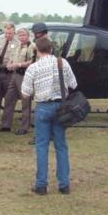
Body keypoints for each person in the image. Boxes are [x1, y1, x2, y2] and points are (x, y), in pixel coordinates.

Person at [21, 37, 77, 195]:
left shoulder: (33, 67)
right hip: (61, 107)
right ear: (51, 49)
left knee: (41, 146)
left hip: (43, 107)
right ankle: (64, 184)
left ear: (37, 50)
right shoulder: (63, 63)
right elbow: (73, 84)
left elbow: (25, 93)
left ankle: (41, 184)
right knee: (61, 145)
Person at [0, 28, 35, 134]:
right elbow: (12, 58)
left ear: (28, 36)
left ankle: (24, 127)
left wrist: (19, 64)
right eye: (20, 35)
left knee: (25, 101)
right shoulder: (17, 46)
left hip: (24, 75)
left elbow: (33, 61)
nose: (22, 37)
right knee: (9, 98)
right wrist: (10, 65)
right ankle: (6, 125)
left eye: (24, 35)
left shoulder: (32, 46)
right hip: (14, 75)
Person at [0, 22, 19, 127]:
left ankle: (5, 122)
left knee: (9, 98)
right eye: (6, 33)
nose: (8, 35)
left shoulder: (18, 43)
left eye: (10, 33)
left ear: (14, 32)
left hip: (9, 73)